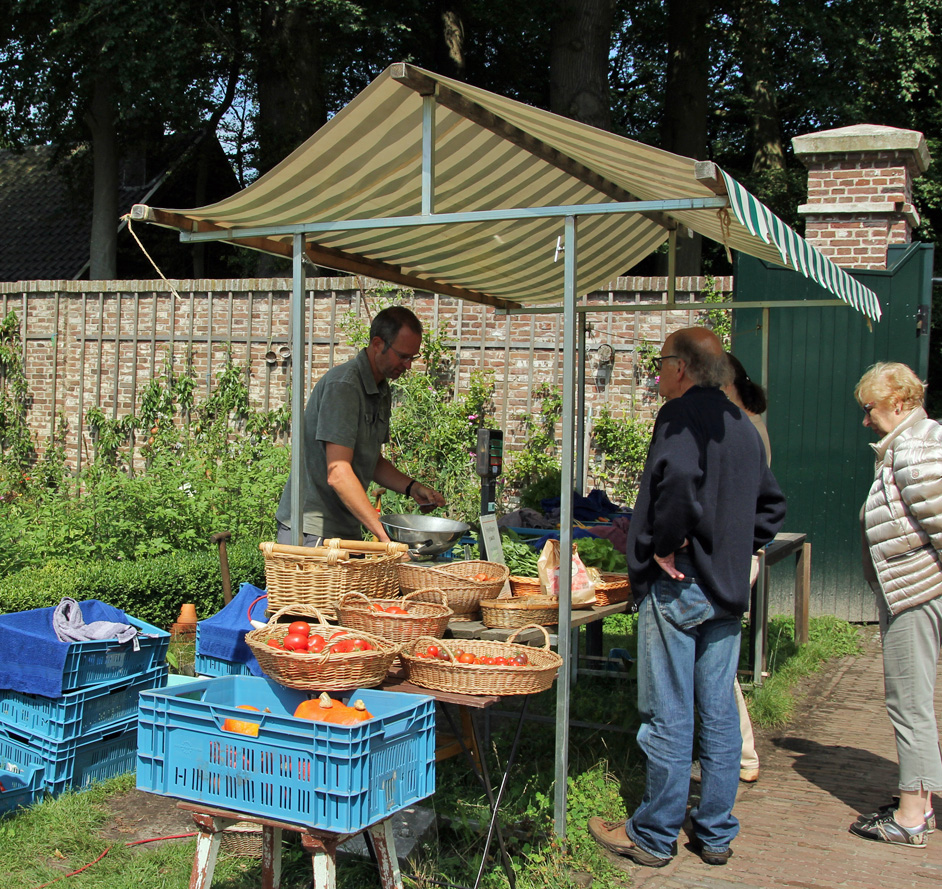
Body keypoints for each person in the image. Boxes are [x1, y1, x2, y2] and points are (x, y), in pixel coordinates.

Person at [588, 327, 786, 868]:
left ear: (683, 367)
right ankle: (715, 832)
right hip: (724, 592)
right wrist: (730, 547)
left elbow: (675, 480)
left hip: (681, 591)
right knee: (718, 713)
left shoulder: (679, 416)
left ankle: (653, 834)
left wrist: (667, 543)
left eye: (659, 364)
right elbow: (772, 508)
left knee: (669, 712)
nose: (656, 375)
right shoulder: (742, 426)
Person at [849, 361, 941, 848]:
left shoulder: (915, 450)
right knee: (912, 701)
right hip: (912, 589)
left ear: (899, 404)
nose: (866, 420)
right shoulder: (909, 446)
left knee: (908, 703)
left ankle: (910, 817)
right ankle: (920, 800)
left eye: (871, 409)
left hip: (915, 591)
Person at [275, 305, 445, 545]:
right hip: (312, 531)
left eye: (412, 357)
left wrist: (411, 487)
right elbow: (338, 472)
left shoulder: (380, 389)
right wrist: (383, 534)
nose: (408, 365)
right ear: (377, 344)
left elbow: (370, 460)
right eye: (403, 356)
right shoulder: (344, 386)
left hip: (346, 527)